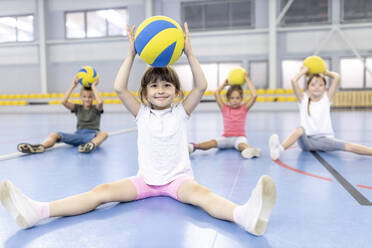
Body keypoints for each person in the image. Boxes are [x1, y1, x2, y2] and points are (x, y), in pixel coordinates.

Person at [0, 23, 276, 236]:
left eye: (167, 85)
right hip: (144, 180)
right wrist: (131, 53)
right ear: (144, 93)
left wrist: (189, 52)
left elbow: (202, 86)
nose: (160, 89)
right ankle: (38, 211)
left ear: (176, 92)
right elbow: (120, 87)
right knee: (101, 192)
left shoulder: (181, 110)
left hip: (178, 181)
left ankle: (244, 216)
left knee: (204, 196)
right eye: (154, 85)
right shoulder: (141, 112)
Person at [269, 66, 372, 160]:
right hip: (306, 142)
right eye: (313, 84)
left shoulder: (326, 99)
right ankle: (279, 150)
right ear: (308, 87)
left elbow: (337, 77)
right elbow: (293, 80)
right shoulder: (303, 99)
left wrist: (326, 72)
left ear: (325, 88)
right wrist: (303, 72)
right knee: (299, 130)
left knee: (348, 146)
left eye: (320, 85)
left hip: (323, 139)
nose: (317, 87)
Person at [17, 78, 108, 154]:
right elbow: (63, 101)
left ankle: (89, 146)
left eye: (90, 97)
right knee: (55, 134)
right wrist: (73, 86)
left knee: (104, 134)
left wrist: (93, 87)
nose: (87, 99)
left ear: (94, 98)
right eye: (84, 96)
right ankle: (41, 147)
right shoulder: (77, 108)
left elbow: (100, 102)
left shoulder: (96, 108)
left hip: (92, 136)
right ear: (81, 97)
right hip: (77, 135)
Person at [188, 74, 261, 159]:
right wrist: (224, 84)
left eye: (237, 98)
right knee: (213, 142)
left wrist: (247, 79)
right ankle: (193, 147)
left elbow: (254, 95)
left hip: (239, 137)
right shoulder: (224, 108)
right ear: (228, 99)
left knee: (242, 145)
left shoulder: (244, 108)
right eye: (232, 98)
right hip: (226, 137)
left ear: (241, 98)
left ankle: (248, 150)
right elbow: (216, 93)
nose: (235, 100)